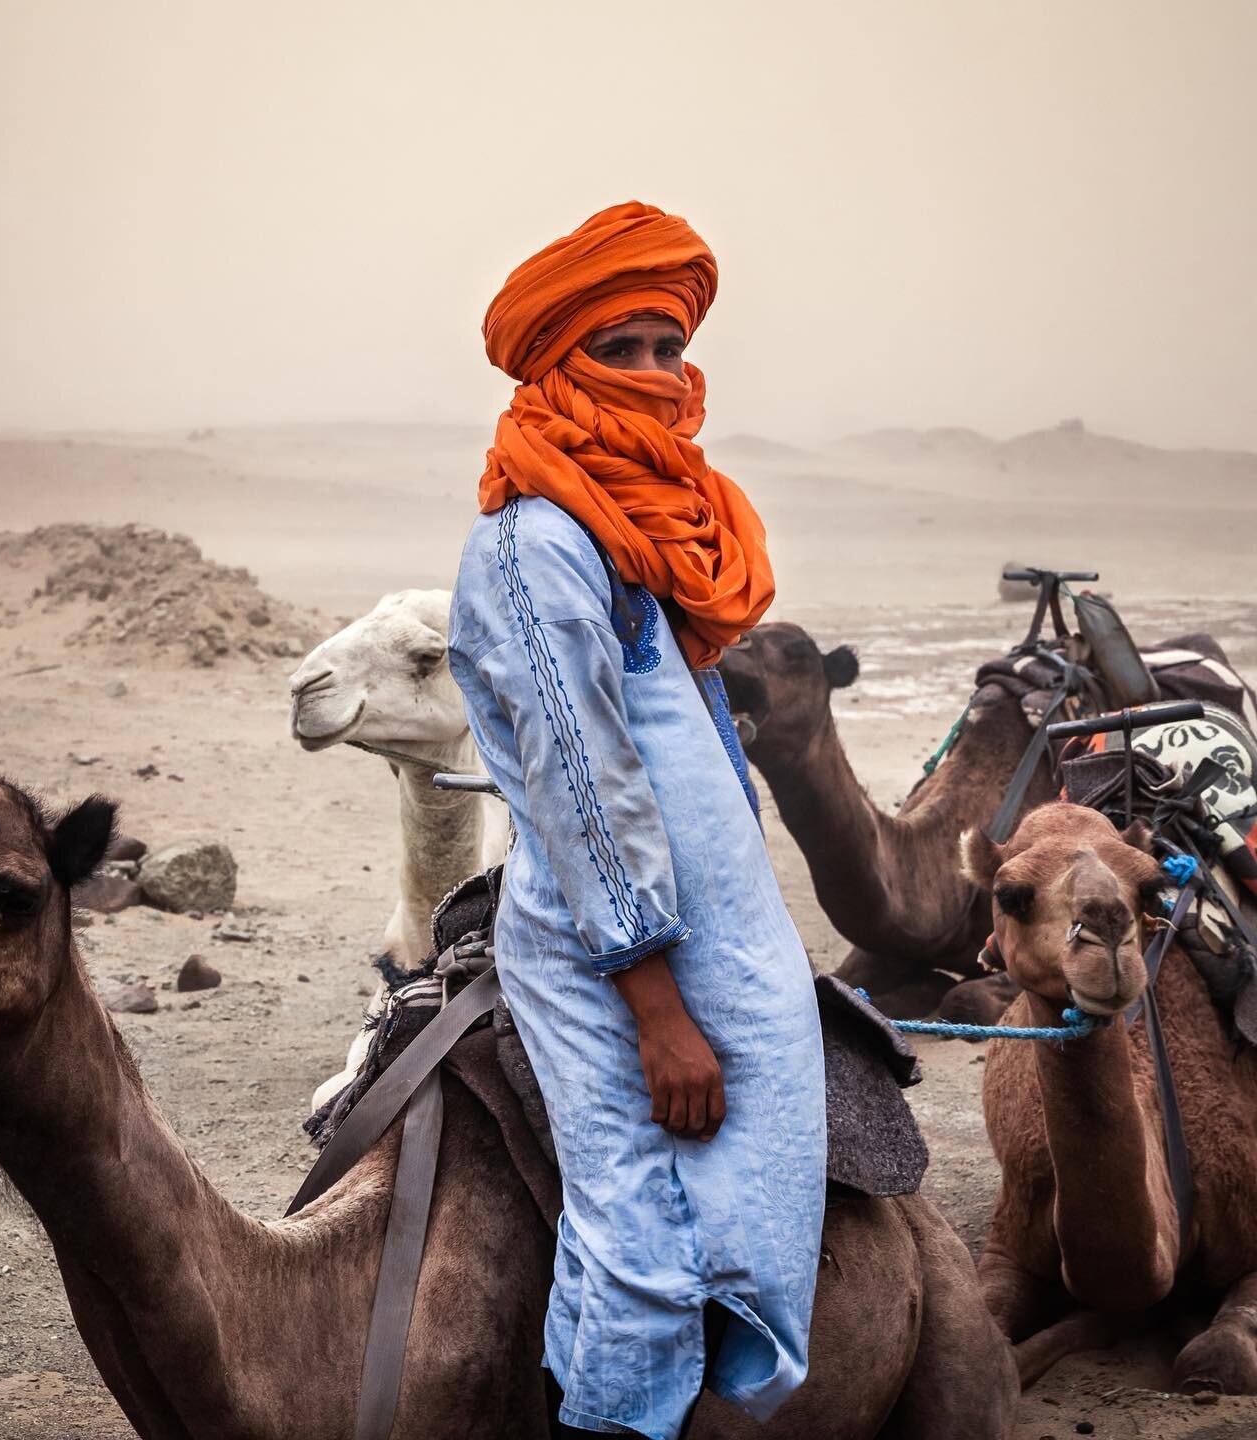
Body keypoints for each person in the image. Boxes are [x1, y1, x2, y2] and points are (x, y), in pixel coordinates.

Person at [447, 201, 826, 1440]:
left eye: (673, 346)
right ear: (560, 363)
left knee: (750, 1211)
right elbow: (579, 779)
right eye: (626, 349)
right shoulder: (536, 542)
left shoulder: (651, 528)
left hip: (720, 936)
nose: (661, 377)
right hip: (610, 947)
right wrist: (657, 1011)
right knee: (643, 1245)